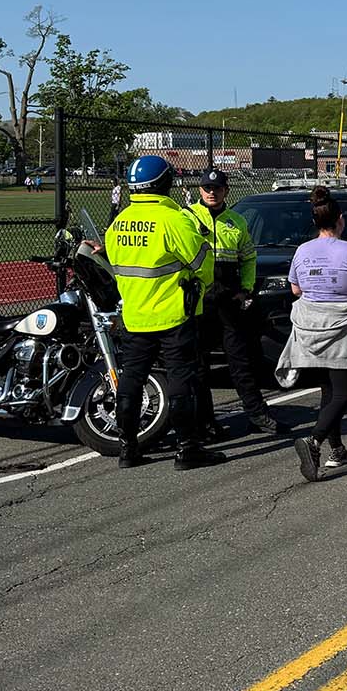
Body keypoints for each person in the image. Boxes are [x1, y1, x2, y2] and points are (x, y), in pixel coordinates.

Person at [105, 156, 214, 469]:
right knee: (181, 381)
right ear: (166, 183)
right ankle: (187, 449)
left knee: (131, 380)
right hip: (173, 315)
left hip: (134, 315)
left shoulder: (119, 222)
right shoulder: (173, 219)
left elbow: (115, 264)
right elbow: (203, 264)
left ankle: (128, 449)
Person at [276, 195, 347, 481]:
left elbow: (295, 289)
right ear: (340, 219)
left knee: (329, 391)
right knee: (344, 392)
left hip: (311, 329)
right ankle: (314, 440)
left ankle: (337, 449)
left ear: (315, 221)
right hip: (341, 327)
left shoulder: (302, 250)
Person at [188, 169, 277, 437]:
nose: (211, 193)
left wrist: (246, 289)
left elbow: (248, 258)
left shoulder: (237, 221)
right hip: (199, 300)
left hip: (228, 299)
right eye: (207, 188)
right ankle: (205, 422)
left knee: (240, 360)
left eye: (217, 188)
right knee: (198, 365)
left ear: (226, 191)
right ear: (200, 190)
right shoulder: (187, 217)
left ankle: (258, 415)